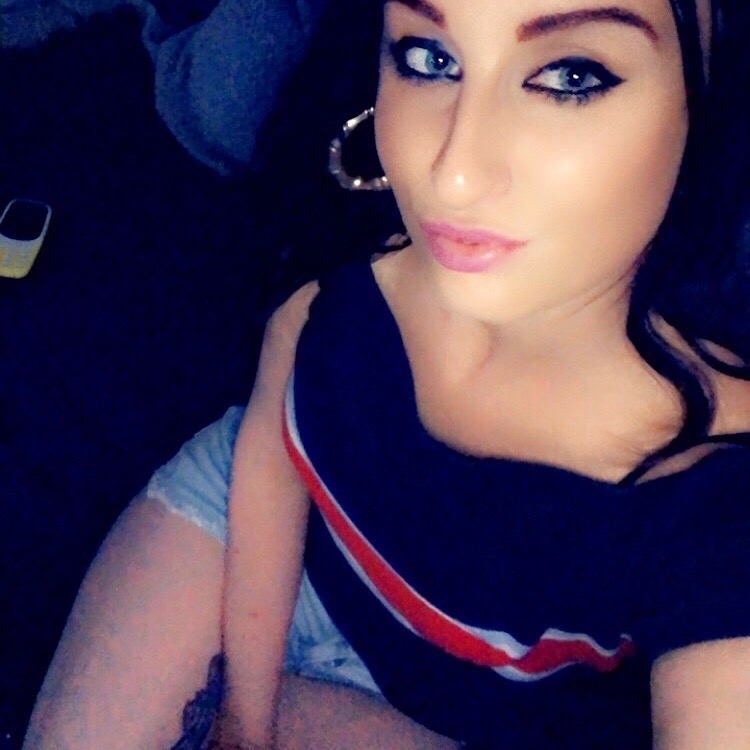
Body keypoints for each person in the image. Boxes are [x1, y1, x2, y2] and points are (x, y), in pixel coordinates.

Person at [22, 0, 750, 747]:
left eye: (570, 76)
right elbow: (273, 449)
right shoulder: (351, 265)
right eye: (429, 58)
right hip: (247, 534)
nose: (452, 175)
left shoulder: (716, 487)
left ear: (707, 90)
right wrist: (245, 714)